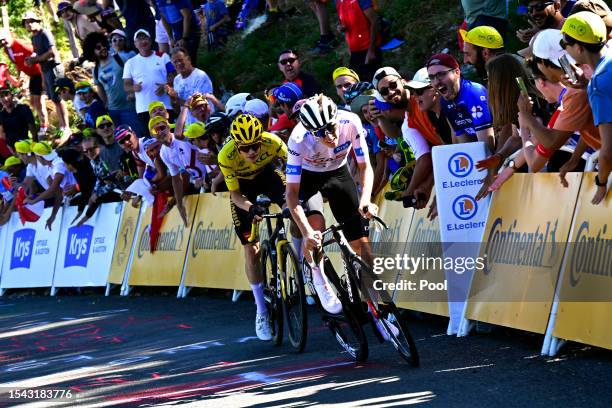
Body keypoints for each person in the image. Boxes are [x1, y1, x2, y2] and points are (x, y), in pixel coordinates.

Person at [286, 94, 377, 316]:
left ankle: (378, 309)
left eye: (331, 126)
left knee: (363, 247)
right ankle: (318, 276)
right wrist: (307, 233)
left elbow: (364, 167)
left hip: (339, 173)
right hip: (308, 179)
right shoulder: (298, 139)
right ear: (309, 131)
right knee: (315, 226)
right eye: (320, 132)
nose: (330, 135)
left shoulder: (351, 121)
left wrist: (365, 199)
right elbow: (292, 193)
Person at [217, 114, 288, 340]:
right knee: (251, 249)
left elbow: (294, 169)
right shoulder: (226, 155)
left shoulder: (273, 142)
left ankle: (302, 259)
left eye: (255, 145)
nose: (252, 152)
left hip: (268, 176)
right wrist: (251, 208)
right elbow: (235, 194)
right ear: (236, 145)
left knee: (294, 206)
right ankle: (261, 309)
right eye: (245, 148)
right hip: (243, 190)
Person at [561, 11, 611, 204]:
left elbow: (608, 150)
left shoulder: (598, 84)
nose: (564, 49)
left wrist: (601, 182)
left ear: (580, 48)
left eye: (565, 44)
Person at [426, 54, 494, 149]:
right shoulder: (445, 101)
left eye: (441, 74)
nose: (436, 82)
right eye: (432, 77)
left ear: (457, 72)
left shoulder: (473, 93)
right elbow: (464, 142)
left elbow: (487, 146)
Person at [150, 115, 207, 225]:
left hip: (211, 177)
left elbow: (206, 149)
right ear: (152, 134)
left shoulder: (183, 137)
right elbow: (176, 179)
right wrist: (179, 205)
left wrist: (209, 176)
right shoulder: (163, 153)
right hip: (199, 183)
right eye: (156, 130)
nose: (160, 132)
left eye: (162, 128)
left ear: (168, 127)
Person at [84, 32, 142, 137]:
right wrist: (105, 104)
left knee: (137, 137)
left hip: (130, 108)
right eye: (98, 47)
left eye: (103, 45)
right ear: (92, 52)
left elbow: (137, 77)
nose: (102, 48)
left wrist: (133, 92)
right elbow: (100, 88)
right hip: (113, 112)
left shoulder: (121, 58)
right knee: (123, 141)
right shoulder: (95, 70)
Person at [22, 11, 70, 140]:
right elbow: (37, 53)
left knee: (59, 99)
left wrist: (35, 60)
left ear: (38, 21)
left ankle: (66, 128)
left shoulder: (45, 33)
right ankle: (62, 127)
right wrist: (30, 59)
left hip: (54, 68)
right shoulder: (33, 37)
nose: (29, 24)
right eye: (26, 22)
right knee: (54, 99)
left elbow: (51, 52)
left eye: (31, 21)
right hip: (46, 70)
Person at [123, 29, 175, 132]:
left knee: (169, 135)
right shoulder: (130, 63)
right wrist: (134, 87)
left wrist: (165, 85)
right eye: (139, 39)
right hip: (144, 109)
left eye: (145, 38)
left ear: (150, 40)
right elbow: (126, 86)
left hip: (164, 107)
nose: (143, 41)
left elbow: (173, 76)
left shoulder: (163, 56)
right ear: (135, 44)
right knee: (153, 139)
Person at [0, 31, 48, 136]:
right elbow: (18, 64)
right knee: (33, 103)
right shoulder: (7, 50)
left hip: (40, 74)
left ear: (10, 35)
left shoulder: (21, 44)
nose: (3, 42)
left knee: (38, 102)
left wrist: (44, 79)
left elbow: (39, 57)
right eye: (0, 41)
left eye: (4, 39)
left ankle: (44, 126)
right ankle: (44, 123)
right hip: (32, 76)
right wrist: (21, 78)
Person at [76, 136, 123, 226]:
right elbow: (99, 178)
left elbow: (115, 182)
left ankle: (86, 217)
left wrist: (97, 194)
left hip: (122, 187)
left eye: (91, 149)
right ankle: (85, 216)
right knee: (91, 196)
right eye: (85, 151)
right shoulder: (92, 161)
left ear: (98, 146)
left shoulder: (105, 157)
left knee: (98, 197)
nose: (89, 153)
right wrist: (94, 193)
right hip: (111, 187)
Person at [335, 0, 382, 81]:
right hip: (355, 51)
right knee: (355, 84)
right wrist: (341, 27)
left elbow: (375, 20)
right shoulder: (337, 1)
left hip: (368, 49)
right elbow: (345, 21)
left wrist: (371, 51)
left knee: (372, 84)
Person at [169, 48, 214, 125]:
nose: (178, 64)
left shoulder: (200, 76)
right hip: (189, 128)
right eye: (175, 62)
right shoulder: (176, 80)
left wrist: (177, 99)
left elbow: (200, 105)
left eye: (180, 60)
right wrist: (172, 98)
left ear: (188, 59)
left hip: (205, 123)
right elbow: (178, 109)